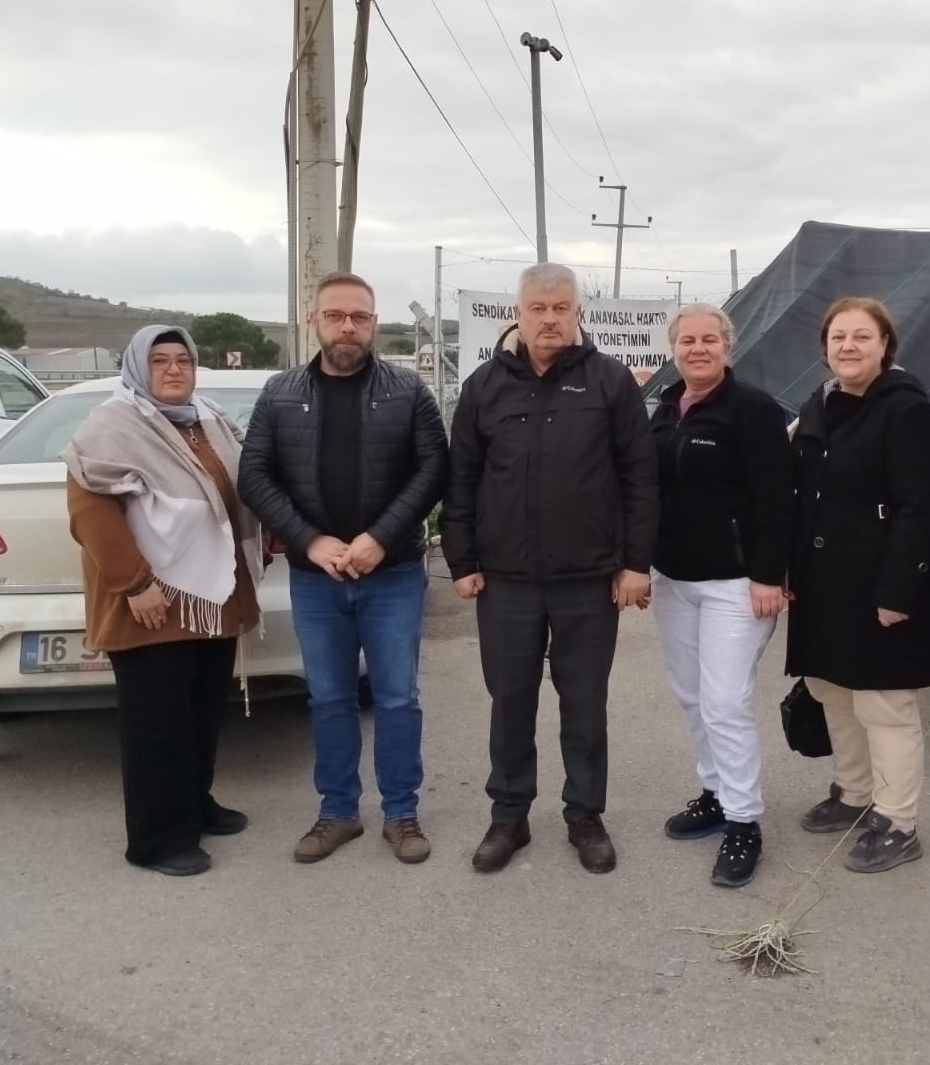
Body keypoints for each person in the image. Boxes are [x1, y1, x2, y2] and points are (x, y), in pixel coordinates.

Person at [442, 262, 657, 875]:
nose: (549, 319)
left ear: (577, 313)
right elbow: (462, 478)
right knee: (509, 701)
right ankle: (509, 816)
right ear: (518, 313)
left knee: (584, 703)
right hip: (505, 580)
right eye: (537, 308)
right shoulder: (484, 385)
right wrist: (462, 559)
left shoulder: (610, 381)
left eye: (561, 308)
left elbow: (640, 477)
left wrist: (635, 563)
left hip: (588, 580)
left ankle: (585, 815)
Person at [238, 273, 448, 866]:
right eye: (335, 315)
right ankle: (338, 812)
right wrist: (311, 541)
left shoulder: (407, 391)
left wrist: (381, 537)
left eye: (359, 316)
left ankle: (401, 814)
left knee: (398, 699)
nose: (347, 327)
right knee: (329, 699)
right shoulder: (280, 394)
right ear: (315, 321)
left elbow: (434, 468)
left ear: (374, 323)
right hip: (317, 580)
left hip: (392, 575)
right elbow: (254, 476)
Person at [65, 326, 263, 877]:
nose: (174, 369)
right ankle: (156, 840)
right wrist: (135, 584)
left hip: (209, 595)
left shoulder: (208, 420)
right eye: (159, 361)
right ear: (137, 368)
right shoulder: (112, 426)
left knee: (200, 712)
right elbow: (91, 514)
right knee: (157, 723)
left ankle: (194, 804)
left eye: (183, 360)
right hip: (151, 602)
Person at [786, 297, 930, 873]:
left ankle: (898, 821)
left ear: (885, 346)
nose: (849, 346)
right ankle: (855, 793)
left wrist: (897, 591)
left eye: (862, 336)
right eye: (838, 337)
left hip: (881, 584)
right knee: (832, 690)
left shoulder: (905, 410)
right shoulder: (817, 407)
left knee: (883, 704)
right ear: (825, 349)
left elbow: (922, 508)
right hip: (823, 583)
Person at [649, 303, 793, 888]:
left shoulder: (752, 409)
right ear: (674, 350)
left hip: (736, 585)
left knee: (726, 702)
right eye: (688, 341)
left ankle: (743, 821)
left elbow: (778, 496)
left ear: (727, 347)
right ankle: (714, 792)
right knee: (692, 696)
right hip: (674, 580)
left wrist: (769, 574)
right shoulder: (664, 409)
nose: (698, 349)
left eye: (709, 339)